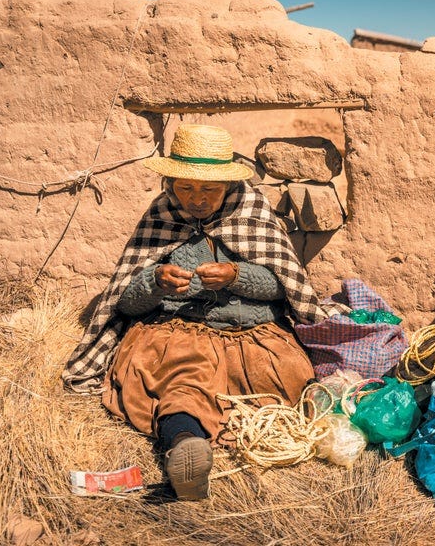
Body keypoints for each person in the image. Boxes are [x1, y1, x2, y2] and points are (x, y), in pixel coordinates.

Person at [62, 124, 344, 500]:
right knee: (181, 383)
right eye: (186, 187)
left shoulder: (252, 212)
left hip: (252, 337)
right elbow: (126, 302)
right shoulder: (161, 217)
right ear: (171, 183)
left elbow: (284, 286)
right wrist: (156, 282)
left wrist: (236, 276)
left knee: (286, 378)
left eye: (209, 189)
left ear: (227, 186)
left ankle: (200, 433)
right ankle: (185, 446)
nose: (197, 199)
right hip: (178, 332)